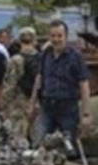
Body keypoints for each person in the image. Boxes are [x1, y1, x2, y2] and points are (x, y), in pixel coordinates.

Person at [30, 19, 92, 148]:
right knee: (38, 142)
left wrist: (86, 113)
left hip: (67, 108)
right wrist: (32, 103)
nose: (56, 39)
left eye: (59, 36)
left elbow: (84, 84)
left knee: (69, 146)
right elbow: (39, 79)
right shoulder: (45, 55)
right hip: (47, 106)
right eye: (53, 36)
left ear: (66, 37)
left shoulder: (75, 57)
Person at [3, 26, 39, 139]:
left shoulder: (15, 60)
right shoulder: (42, 58)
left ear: (19, 41)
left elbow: (10, 86)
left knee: (19, 140)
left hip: (19, 104)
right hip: (39, 104)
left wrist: (4, 106)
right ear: (34, 40)